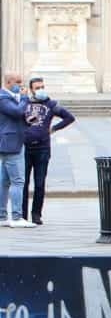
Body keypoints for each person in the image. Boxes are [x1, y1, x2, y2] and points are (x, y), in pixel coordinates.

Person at [22, 77, 75, 225]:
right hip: (25, 147)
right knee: (23, 183)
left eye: (42, 87)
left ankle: (36, 214)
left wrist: (54, 129)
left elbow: (69, 117)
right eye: (37, 87)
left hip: (42, 148)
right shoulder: (24, 103)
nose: (40, 90)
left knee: (39, 183)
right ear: (31, 89)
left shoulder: (51, 104)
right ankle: (22, 214)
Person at [0, 73, 34, 227]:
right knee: (18, 181)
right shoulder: (3, 98)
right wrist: (25, 98)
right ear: (8, 82)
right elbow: (17, 112)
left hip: (12, 141)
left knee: (5, 181)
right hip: (11, 144)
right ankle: (16, 216)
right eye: (18, 82)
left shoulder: (10, 98)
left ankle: (2, 216)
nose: (21, 85)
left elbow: (17, 116)